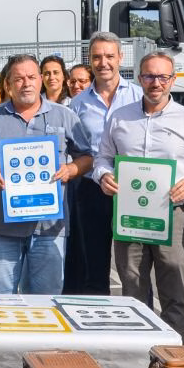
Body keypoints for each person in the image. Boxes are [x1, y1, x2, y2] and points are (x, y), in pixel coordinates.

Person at [92, 51, 184, 340]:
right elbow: (102, 158)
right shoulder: (120, 117)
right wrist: (104, 176)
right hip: (129, 215)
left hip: (172, 214)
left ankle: (172, 359)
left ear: (173, 79)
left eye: (162, 77)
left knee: (174, 292)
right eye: (149, 76)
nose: (156, 83)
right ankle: (137, 359)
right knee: (132, 292)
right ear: (139, 78)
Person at [0, 54, 93, 293]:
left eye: (31, 77)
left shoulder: (64, 116)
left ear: (40, 80)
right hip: (2, 229)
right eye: (19, 79)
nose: (26, 83)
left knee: (46, 300)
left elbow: (87, 157)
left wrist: (70, 169)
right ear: (8, 84)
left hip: (49, 229)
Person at [64, 32, 141, 294]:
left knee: (135, 269)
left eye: (109, 56)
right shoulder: (78, 103)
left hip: (132, 189)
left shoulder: (138, 97)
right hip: (91, 190)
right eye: (97, 57)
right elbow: (73, 148)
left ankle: (138, 316)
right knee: (94, 266)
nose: (103, 62)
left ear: (120, 58)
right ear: (90, 60)